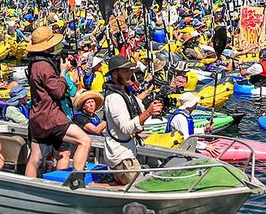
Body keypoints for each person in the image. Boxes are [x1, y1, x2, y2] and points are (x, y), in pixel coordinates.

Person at [24, 27, 92, 179]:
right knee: (84, 140)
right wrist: (63, 72)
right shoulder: (44, 66)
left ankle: (29, 188)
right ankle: (77, 180)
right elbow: (59, 92)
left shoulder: (34, 64)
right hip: (50, 116)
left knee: (36, 157)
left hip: (37, 116)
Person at [102, 56, 163, 185]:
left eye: (130, 70)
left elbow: (136, 103)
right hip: (122, 157)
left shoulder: (125, 93)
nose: (129, 73)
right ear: (114, 73)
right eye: (125, 71)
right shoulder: (114, 98)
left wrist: (147, 95)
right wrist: (148, 112)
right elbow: (126, 128)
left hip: (126, 153)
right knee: (139, 187)